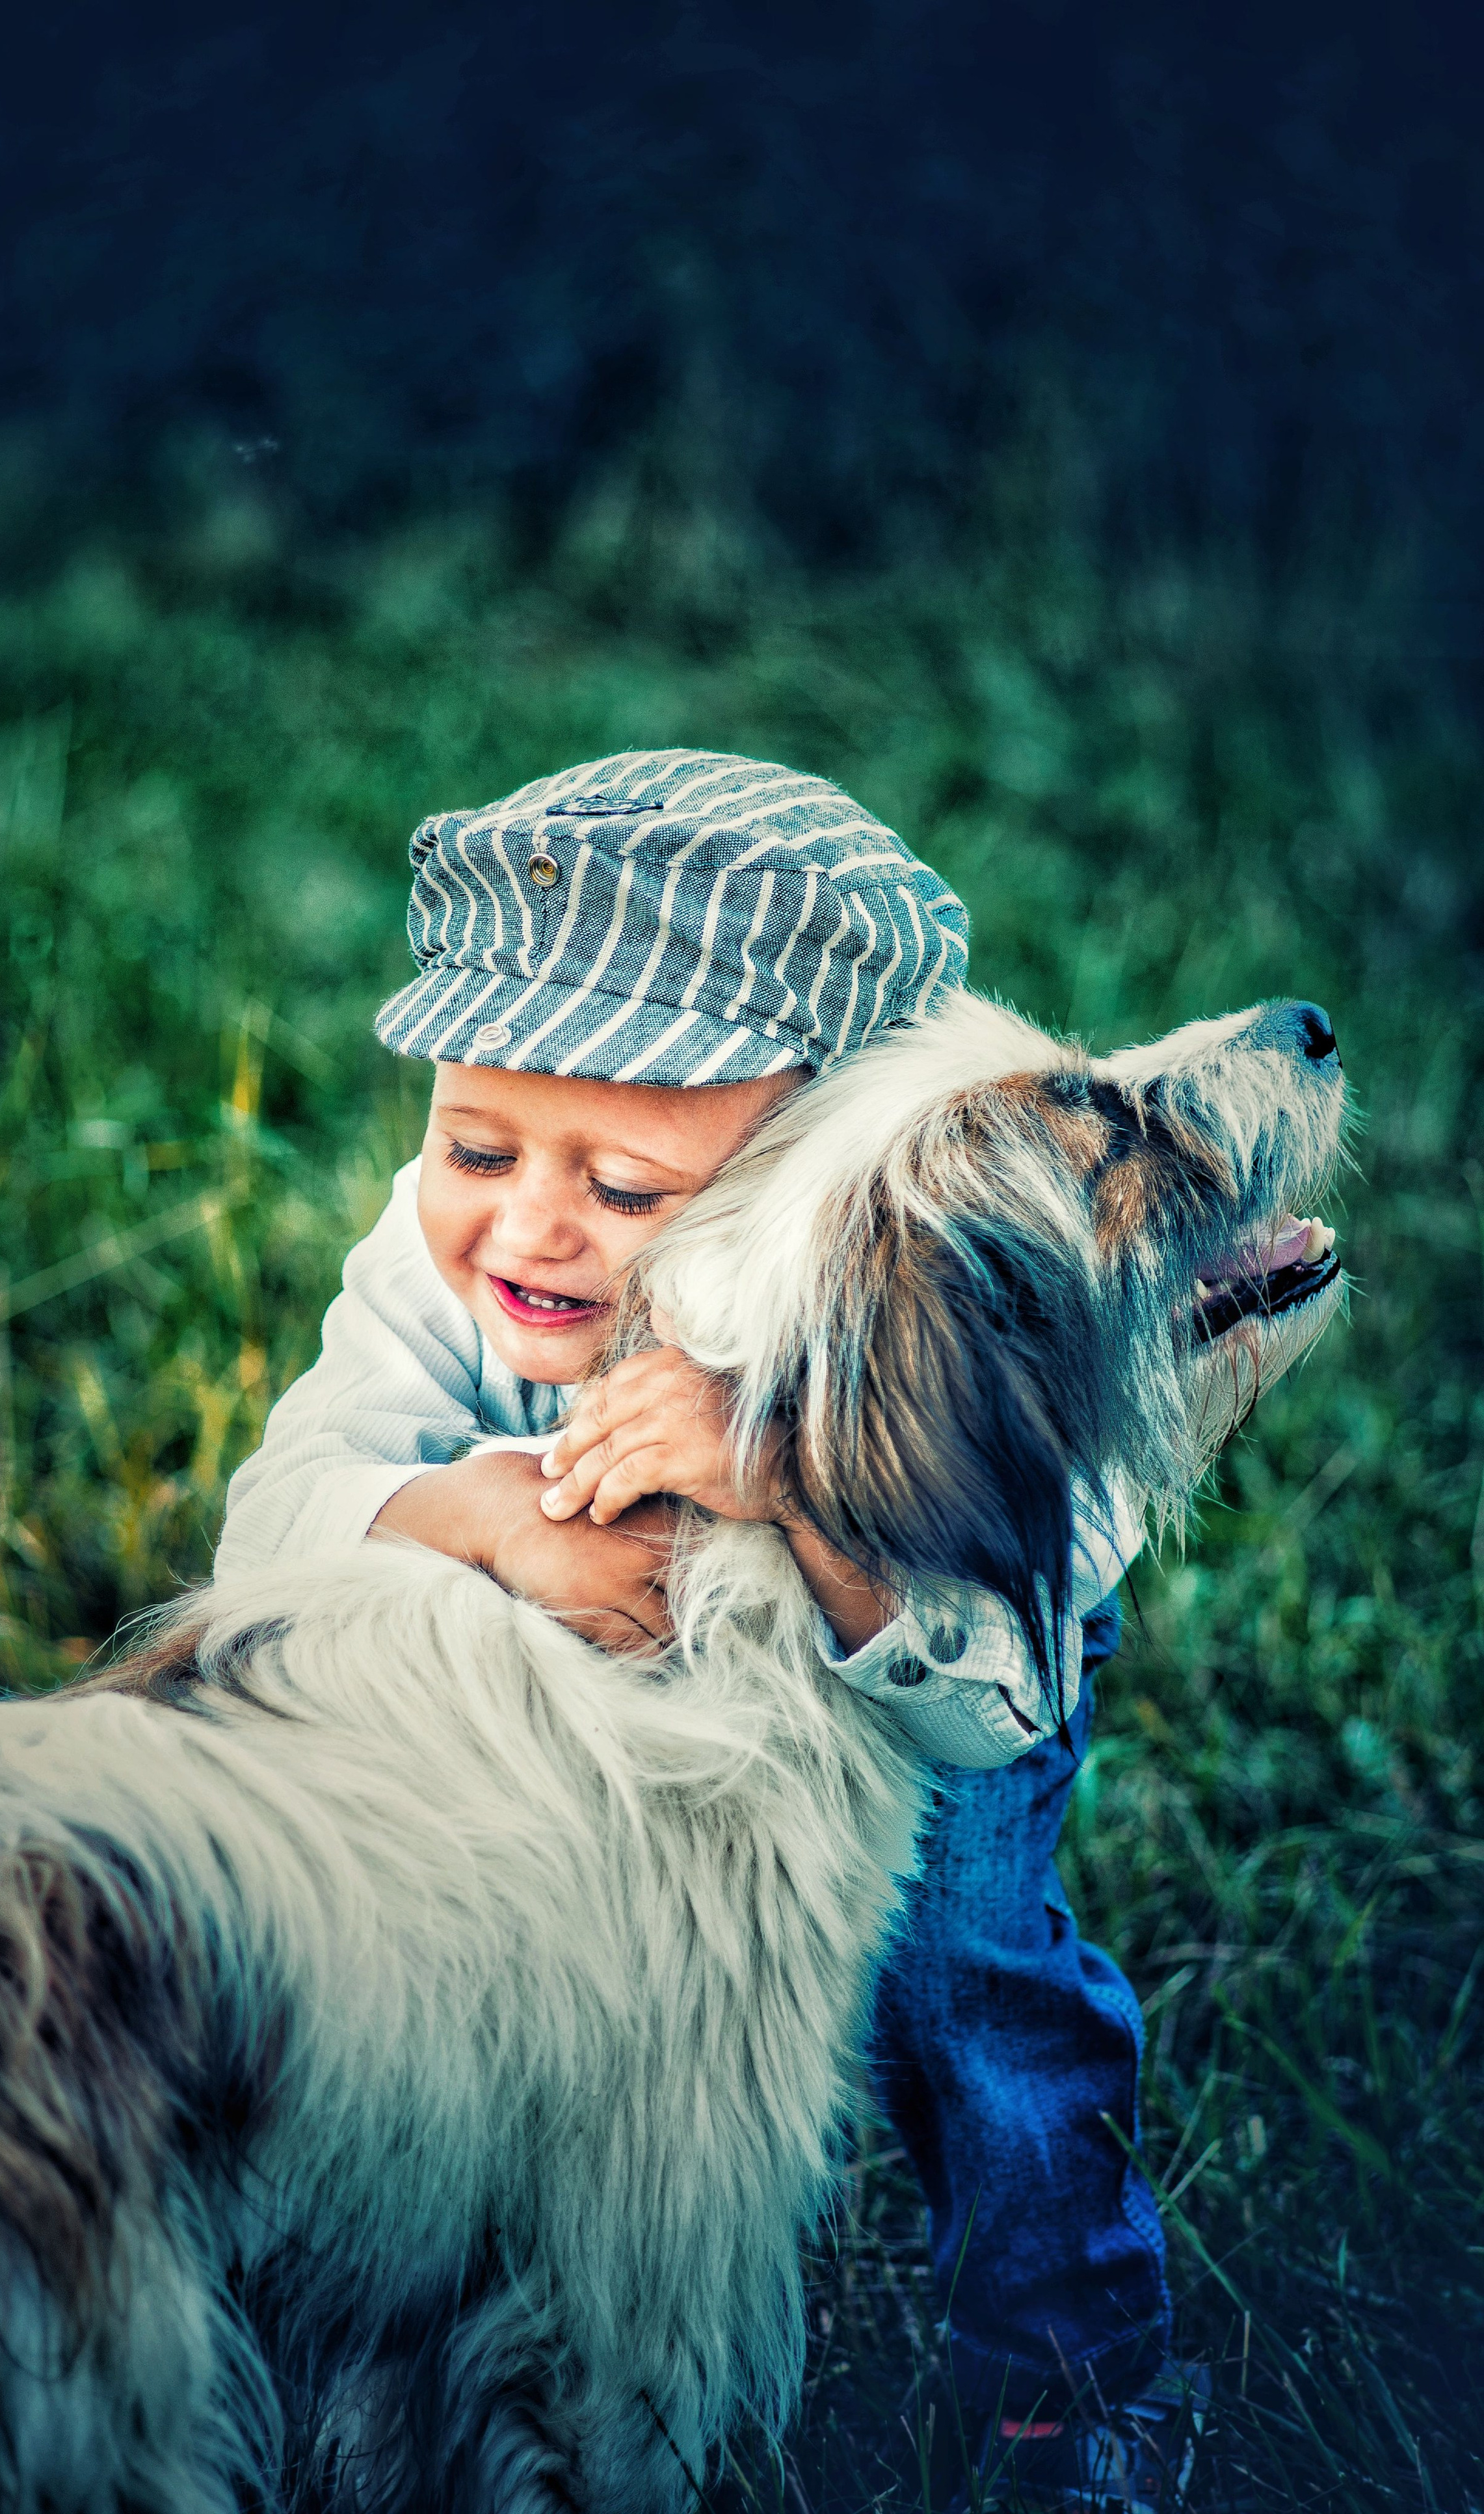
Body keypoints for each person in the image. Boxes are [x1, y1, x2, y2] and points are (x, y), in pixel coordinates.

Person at [215, 749, 1204, 2509]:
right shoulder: (451, 1260)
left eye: (624, 1184)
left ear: (809, 1177)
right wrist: (469, 1506)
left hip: (919, 1698)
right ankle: (472, 2307)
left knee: (962, 1979)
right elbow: (270, 1520)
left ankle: (1069, 2369)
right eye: (477, 1143)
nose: (526, 1221)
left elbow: (997, 1690)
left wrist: (795, 1480)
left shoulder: (987, 1305)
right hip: (635, 1738)